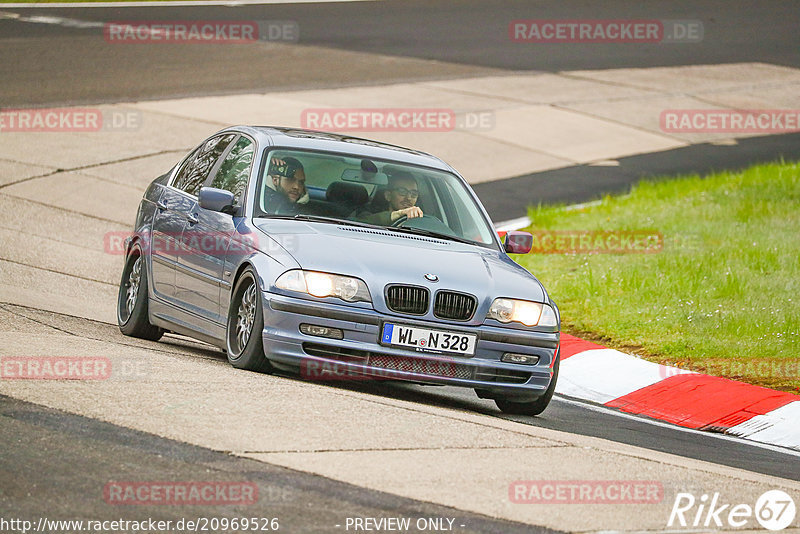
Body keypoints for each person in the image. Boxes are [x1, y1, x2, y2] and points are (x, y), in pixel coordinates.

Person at [358, 171, 422, 225]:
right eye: (402, 191)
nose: (409, 198)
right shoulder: (370, 212)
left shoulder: (421, 221)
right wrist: (399, 214)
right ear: (388, 196)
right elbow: (360, 223)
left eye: (414, 194)